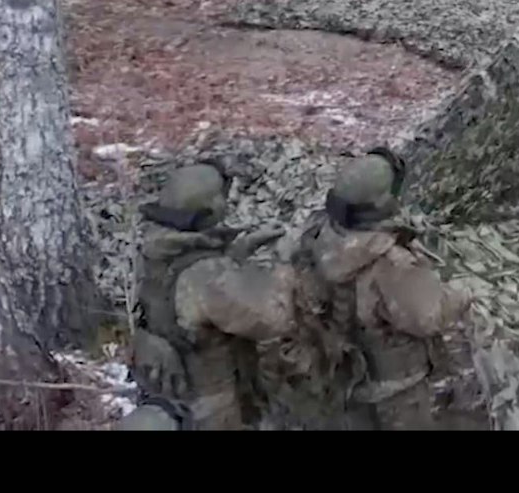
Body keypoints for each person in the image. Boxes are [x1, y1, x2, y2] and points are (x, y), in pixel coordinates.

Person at [290, 147, 467, 430]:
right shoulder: (389, 264)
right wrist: (460, 292)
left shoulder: (319, 238)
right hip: (396, 395)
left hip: (345, 381)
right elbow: (428, 317)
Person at [127, 160, 296, 429]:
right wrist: (285, 266)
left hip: (175, 403)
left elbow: (190, 297)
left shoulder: (155, 254)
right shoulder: (206, 275)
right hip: (215, 413)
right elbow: (277, 318)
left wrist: (236, 253)